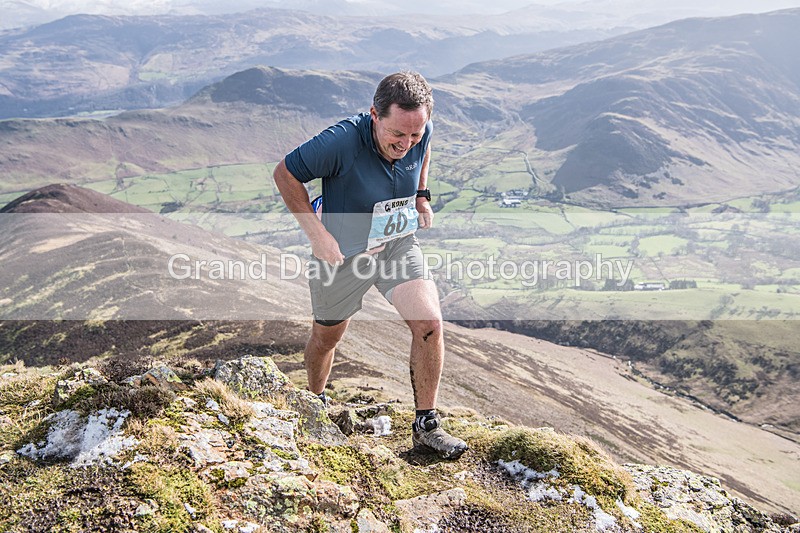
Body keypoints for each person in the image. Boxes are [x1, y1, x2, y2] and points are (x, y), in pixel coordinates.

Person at [273, 71, 467, 460]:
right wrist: (319, 237)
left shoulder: (418, 130)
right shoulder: (341, 141)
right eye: (398, 134)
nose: (406, 143)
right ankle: (315, 401)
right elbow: (285, 174)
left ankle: (426, 425)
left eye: (415, 134)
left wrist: (421, 194)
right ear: (374, 115)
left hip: (396, 244)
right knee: (327, 338)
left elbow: (423, 149)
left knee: (429, 325)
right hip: (342, 256)